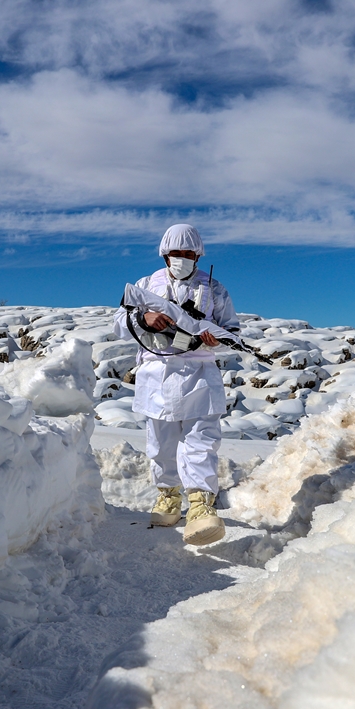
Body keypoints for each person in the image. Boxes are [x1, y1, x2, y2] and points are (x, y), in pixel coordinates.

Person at [113, 224, 239, 545]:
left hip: (199, 374)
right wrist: (144, 319)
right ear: (164, 254)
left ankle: (200, 506)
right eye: (175, 253)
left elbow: (233, 331)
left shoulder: (216, 290)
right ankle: (168, 496)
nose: (181, 259)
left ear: (198, 255)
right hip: (156, 374)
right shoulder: (145, 285)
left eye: (187, 253)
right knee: (160, 444)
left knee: (201, 441)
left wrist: (213, 337)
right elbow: (119, 323)